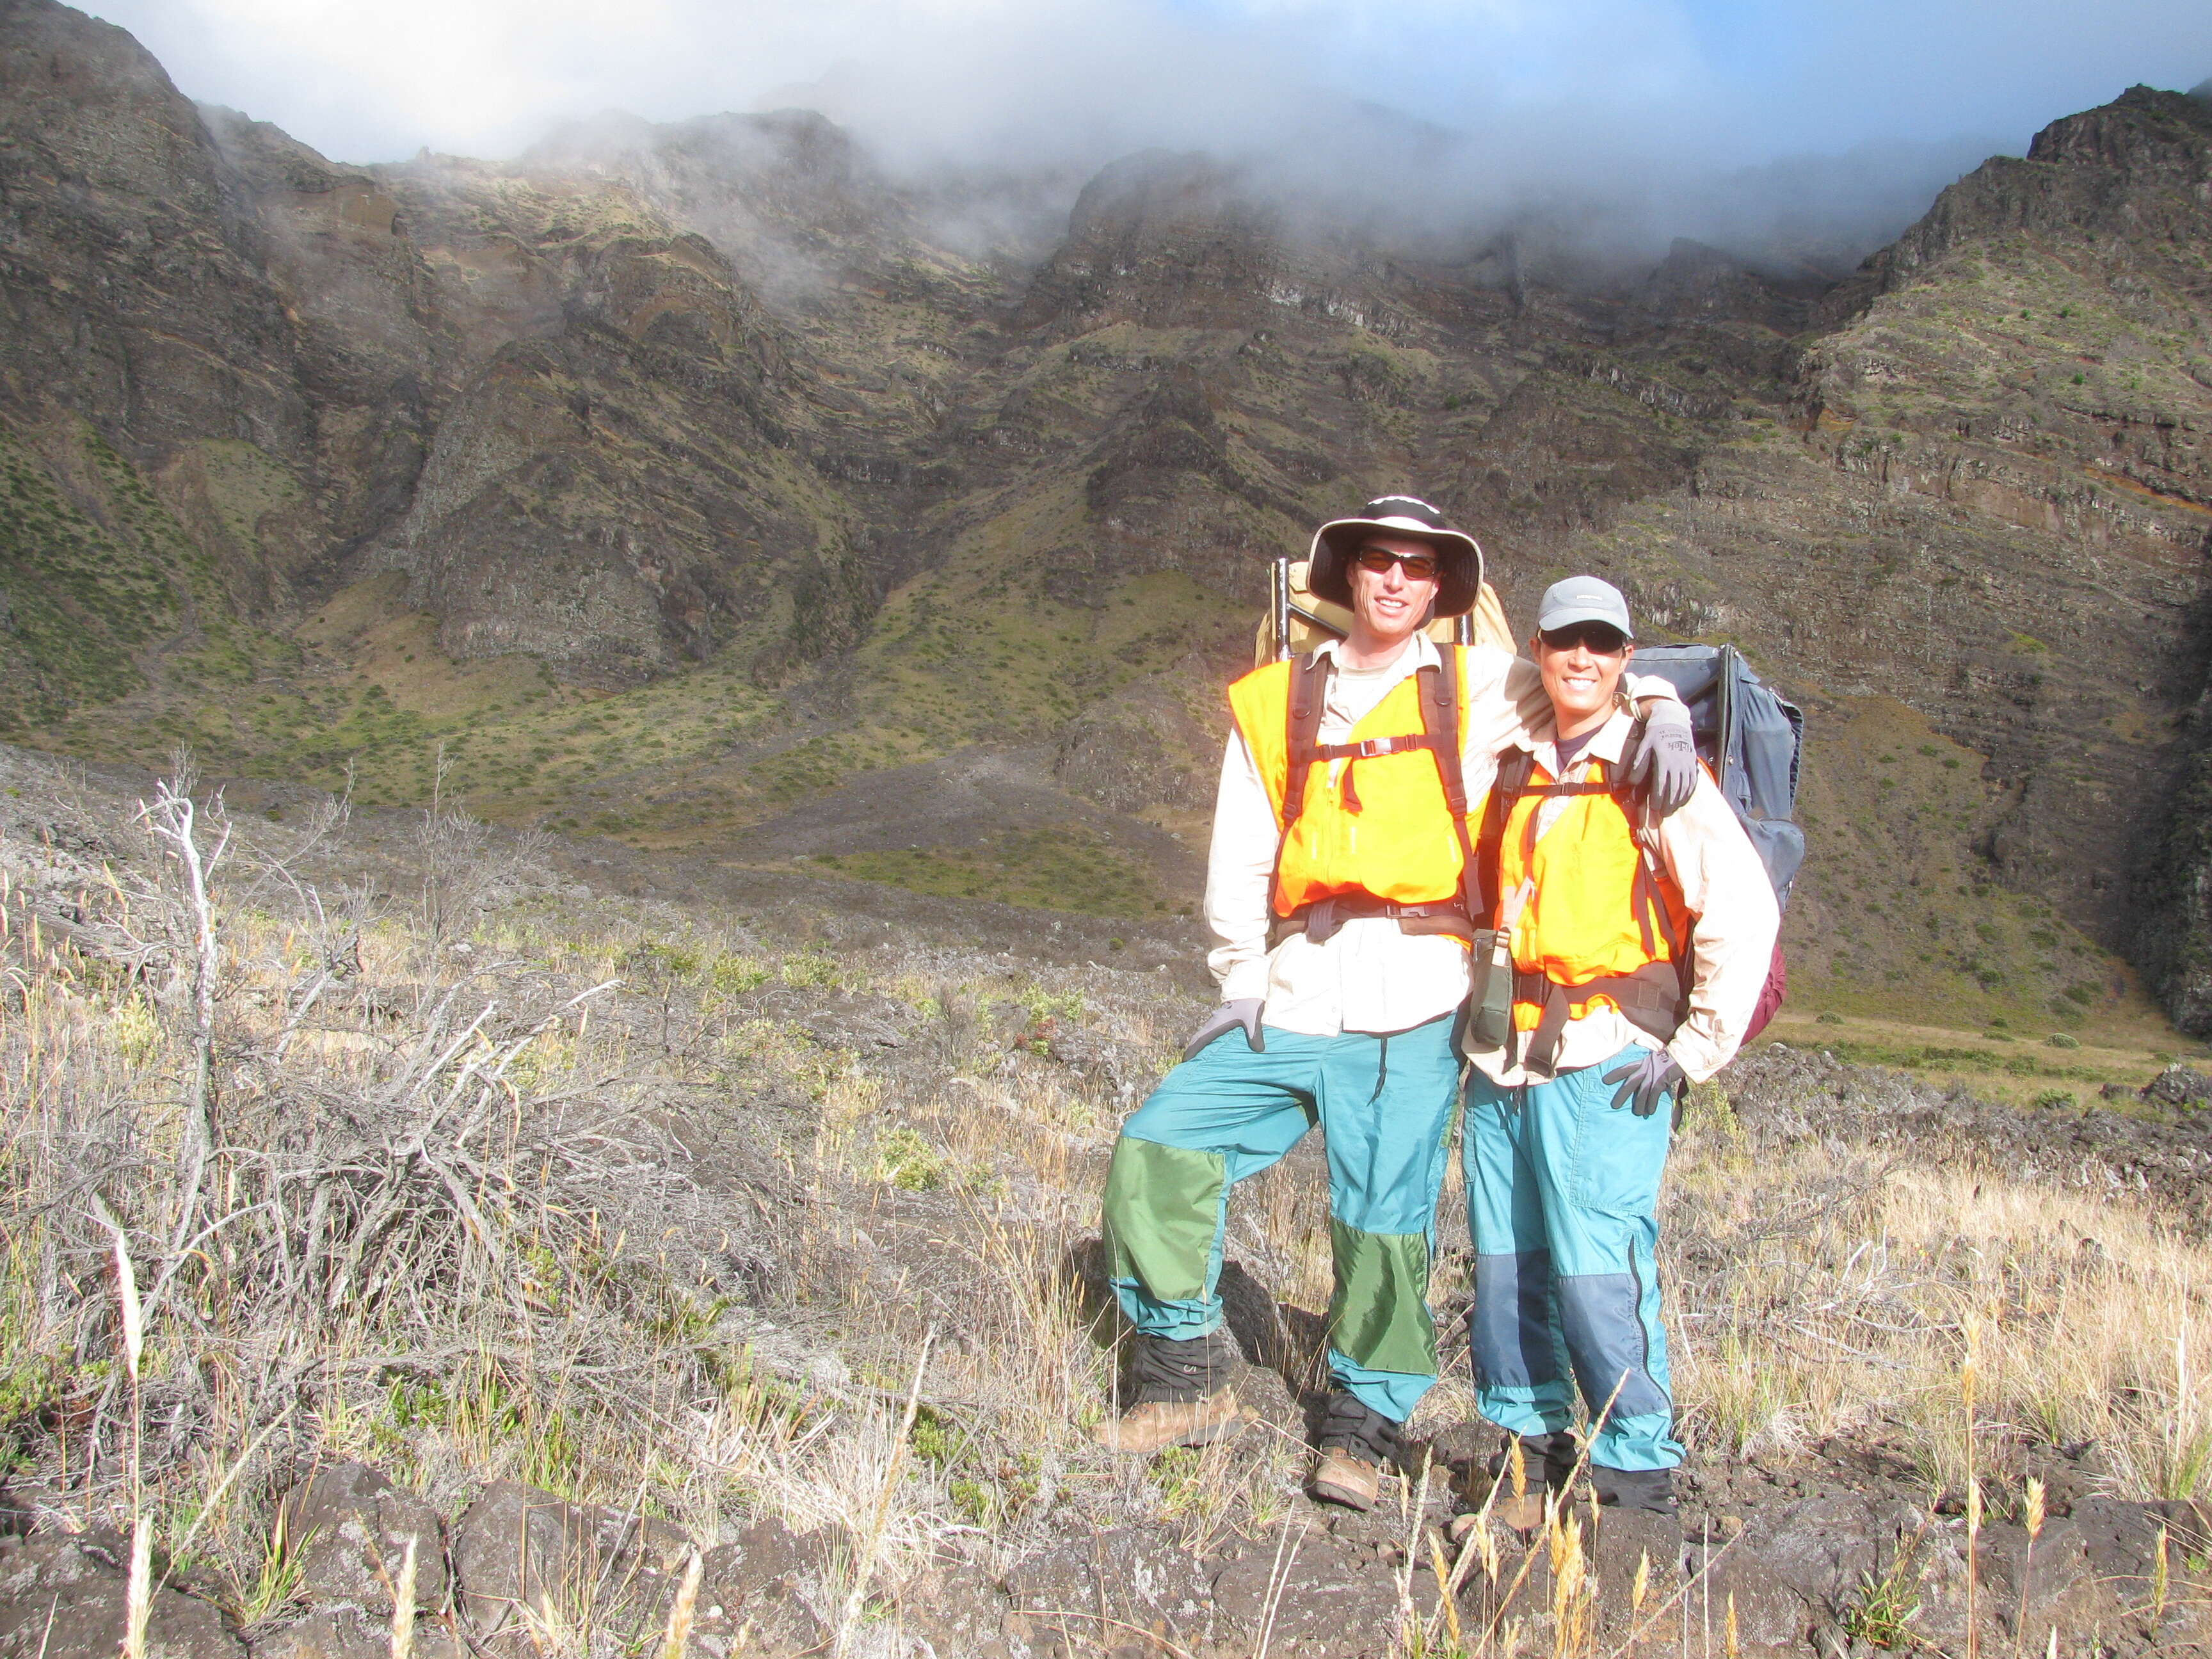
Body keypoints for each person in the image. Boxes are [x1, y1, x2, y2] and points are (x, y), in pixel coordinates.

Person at [1089, 497, 1703, 1512]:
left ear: (1440, 591)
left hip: (1418, 997)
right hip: (1291, 988)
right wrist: (1238, 976)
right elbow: (1241, 846)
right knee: (1162, 1143)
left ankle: (1364, 1429)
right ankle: (1184, 1370)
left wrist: (1663, 702)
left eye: (1418, 570)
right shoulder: (1275, 698)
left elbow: (1581, 676)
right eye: (1379, 562)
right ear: (1347, 575)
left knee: (1383, 1223)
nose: (1395, 581)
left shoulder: (1479, 685)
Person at [1459, 576, 1779, 1519]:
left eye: (1604, 645)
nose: (1582, 659)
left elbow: (1740, 907)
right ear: (1544, 648)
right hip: (1500, 1052)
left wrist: (1694, 1050)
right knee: (1506, 1260)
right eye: (1566, 641)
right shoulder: (1513, 753)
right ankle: (1528, 1451)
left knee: (1599, 1266)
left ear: (1626, 657)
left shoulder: (1654, 768)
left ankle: (1635, 1472)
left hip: (1607, 1052)